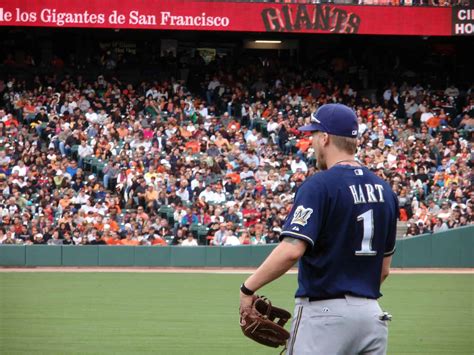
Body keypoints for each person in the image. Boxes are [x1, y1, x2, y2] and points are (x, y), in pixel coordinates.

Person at [239, 103, 399, 355]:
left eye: (313, 135)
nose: (311, 142)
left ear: (324, 138)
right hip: (372, 318)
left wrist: (248, 288)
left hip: (325, 318)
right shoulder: (385, 191)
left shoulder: (319, 185)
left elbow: (291, 250)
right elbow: (384, 269)